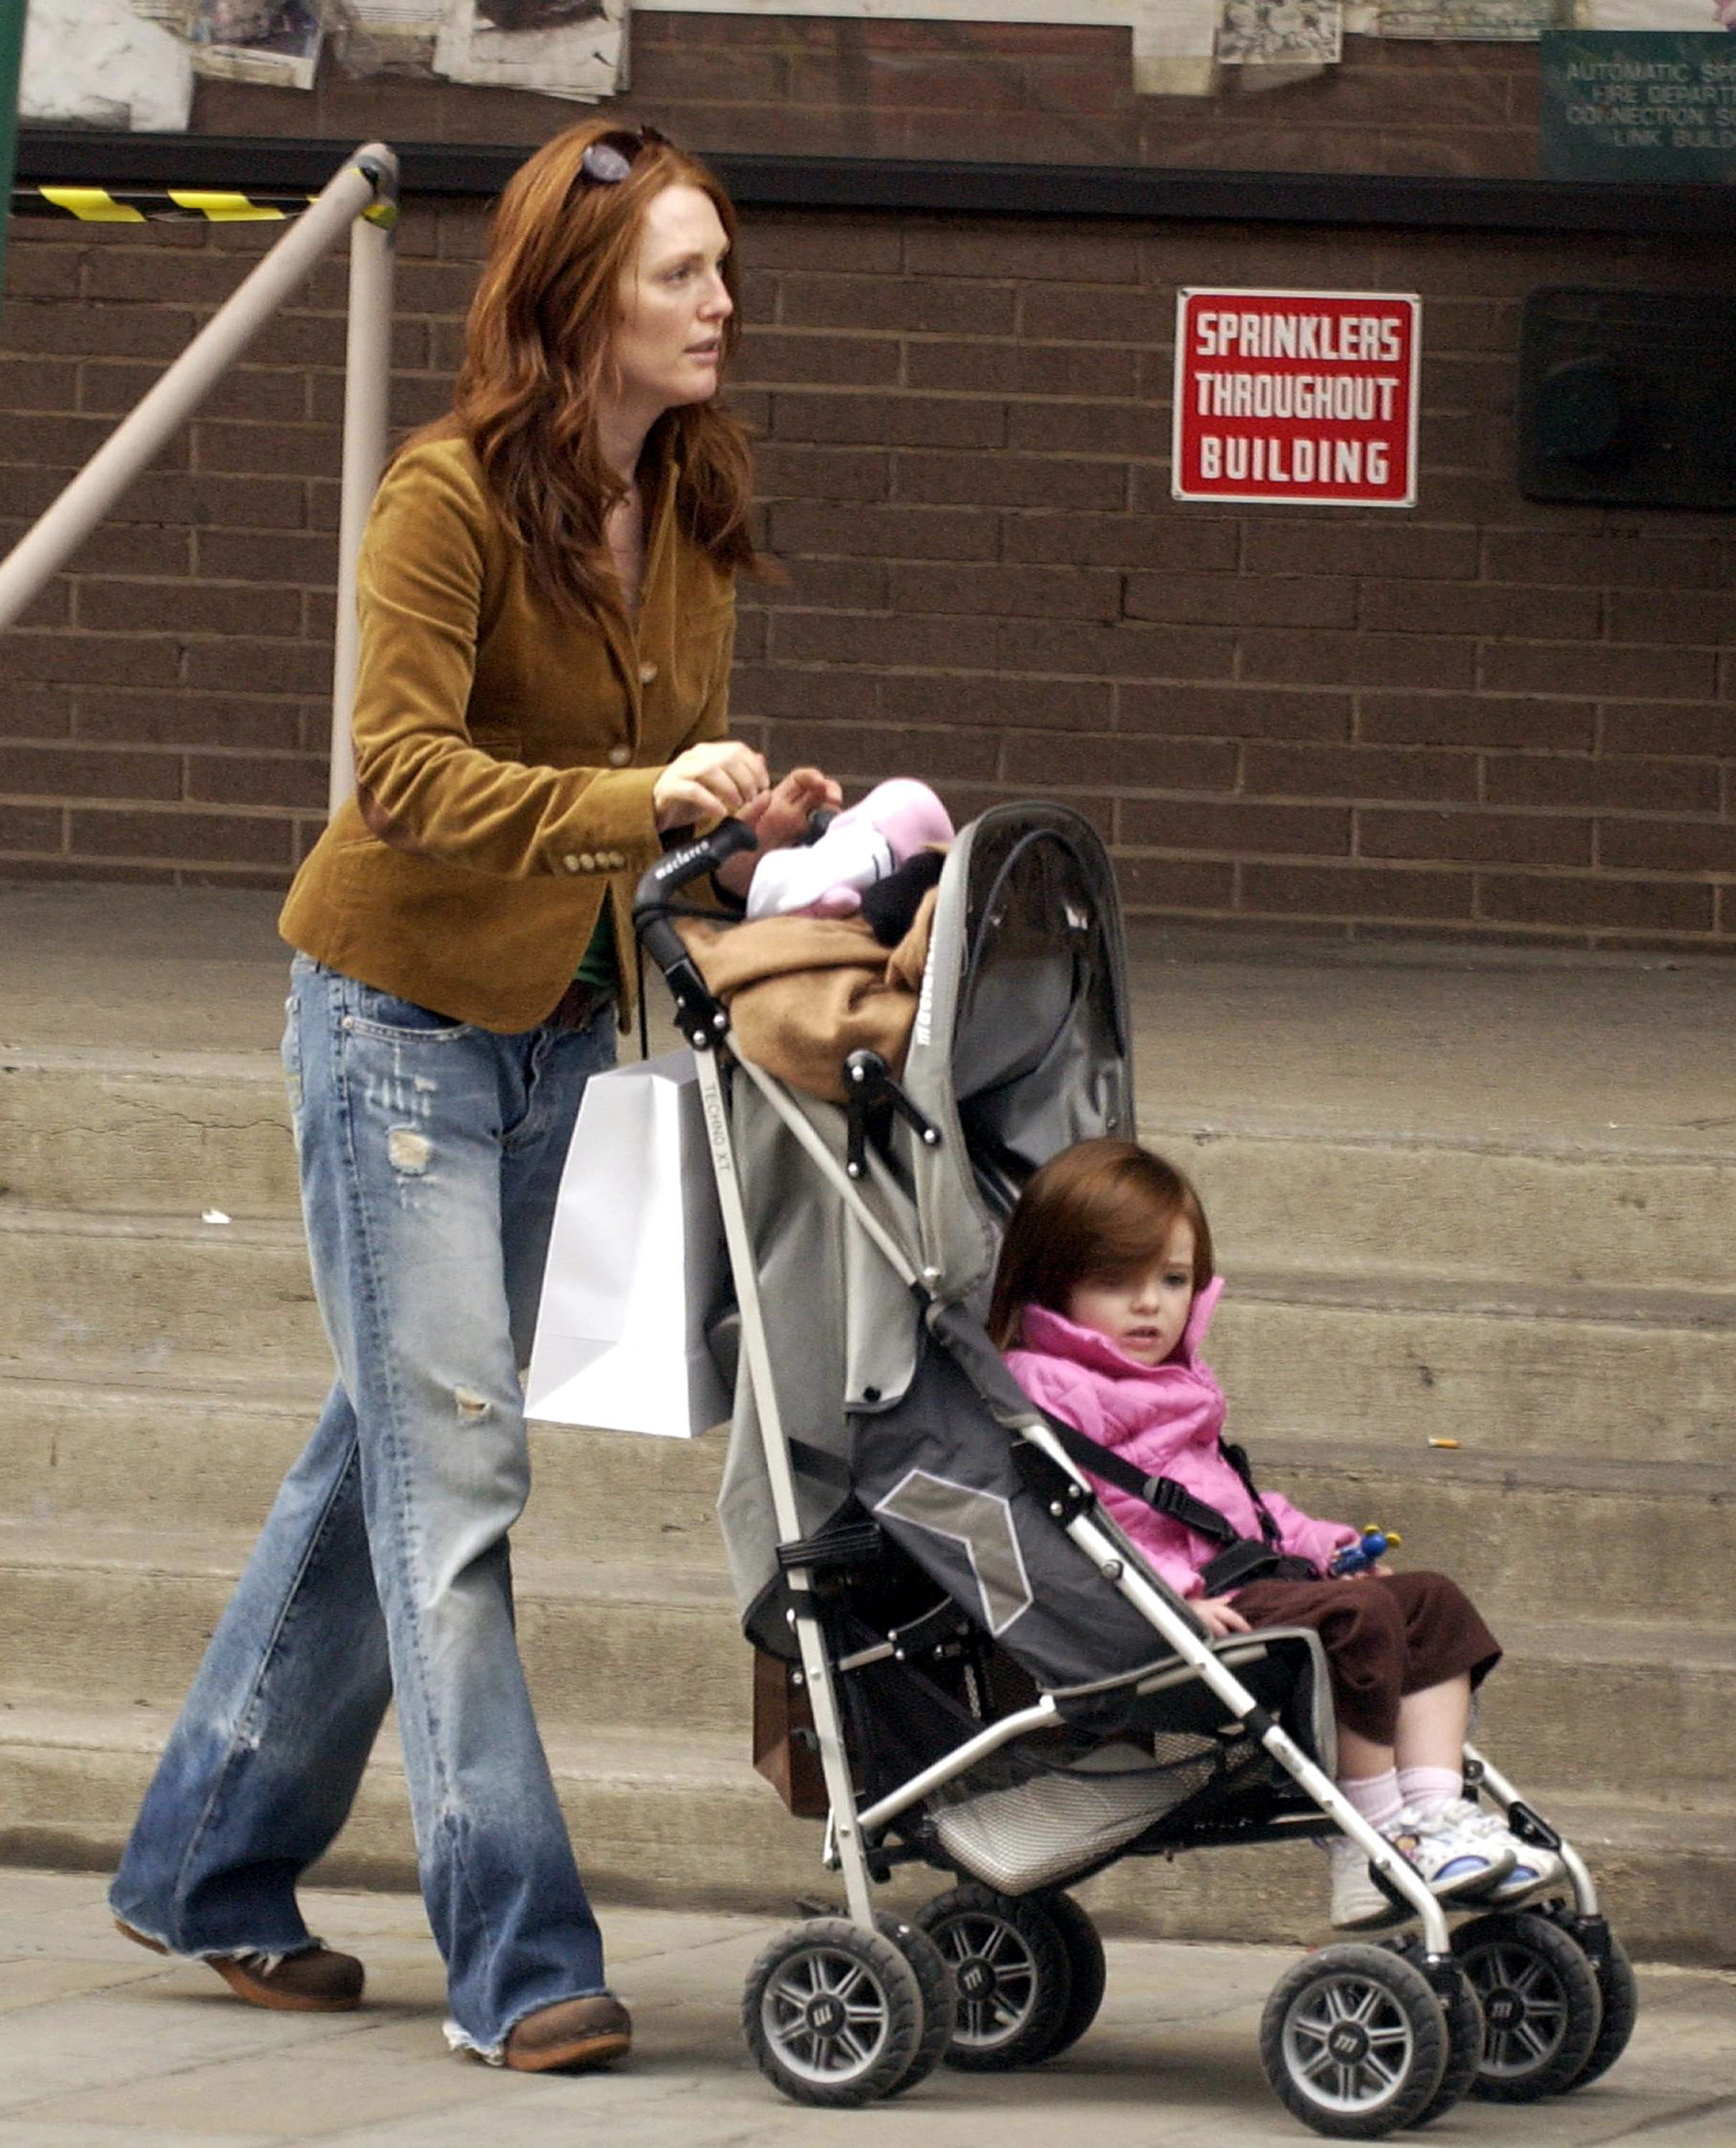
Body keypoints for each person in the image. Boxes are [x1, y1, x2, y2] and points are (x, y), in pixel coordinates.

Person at [106, 119, 838, 2072]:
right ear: (582, 294)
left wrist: (745, 824)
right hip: (395, 1028)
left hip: (557, 1035)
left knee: (391, 1456)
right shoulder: (443, 498)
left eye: (719, 267)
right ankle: (518, 1952)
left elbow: (657, 777)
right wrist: (635, 801)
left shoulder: (683, 492)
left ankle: (200, 1858)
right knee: (458, 1491)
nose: (718, 302)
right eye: (683, 272)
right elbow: (405, 774)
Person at [990, 1138, 1565, 1932]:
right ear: (1052, 1282)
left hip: (1242, 1579)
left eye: (1174, 1279)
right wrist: (1171, 1598)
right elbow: (1084, 1525)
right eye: (1116, 1282)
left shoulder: (1173, 1380)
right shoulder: (1047, 1386)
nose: (1152, 1304)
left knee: (1432, 1601)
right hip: (1167, 1614)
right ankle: (1369, 1832)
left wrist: (1321, 1544)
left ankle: (1435, 1811)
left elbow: (1231, 1502)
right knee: (1356, 1623)